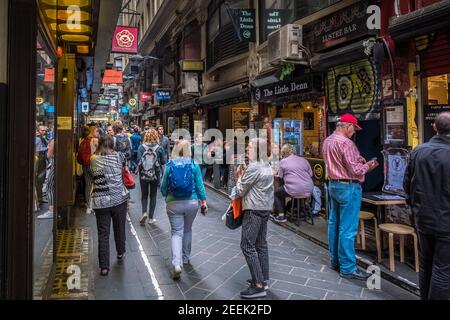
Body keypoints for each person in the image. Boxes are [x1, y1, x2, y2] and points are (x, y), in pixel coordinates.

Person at [322, 114, 378, 280]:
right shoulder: (347, 143)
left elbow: (341, 163)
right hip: (349, 187)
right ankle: (347, 267)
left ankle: (335, 261)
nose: (354, 132)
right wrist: (369, 165)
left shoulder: (328, 141)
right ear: (347, 126)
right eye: (354, 128)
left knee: (334, 224)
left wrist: (356, 160)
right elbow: (355, 171)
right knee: (347, 229)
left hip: (334, 185)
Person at [404, 112, 450, 300]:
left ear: (434, 127)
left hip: (423, 218)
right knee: (444, 269)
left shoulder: (418, 151)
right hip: (446, 220)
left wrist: (413, 207)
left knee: (426, 263)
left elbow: (407, 184)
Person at [160, 139, 207, 280]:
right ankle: (186, 258)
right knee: (187, 229)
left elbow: (163, 186)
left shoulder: (170, 165)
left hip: (173, 203)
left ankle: (176, 264)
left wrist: (166, 196)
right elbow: (200, 186)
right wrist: (203, 201)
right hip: (191, 202)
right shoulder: (194, 165)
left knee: (176, 232)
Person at [235, 138, 274, 299]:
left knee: (247, 245)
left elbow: (240, 190)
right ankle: (263, 279)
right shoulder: (267, 165)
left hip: (254, 209)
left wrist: (239, 176)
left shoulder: (254, 167)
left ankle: (258, 285)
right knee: (261, 244)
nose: (247, 150)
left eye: (250, 147)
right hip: (265, 207)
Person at [90, 135, 129, 276]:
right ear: (113, 144)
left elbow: (92, 174)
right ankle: (120, 252)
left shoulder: (93, 159)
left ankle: (104, 267)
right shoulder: (119, 157)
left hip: (101, 201)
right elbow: (124, 170)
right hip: (119, 198)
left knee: (103, 233)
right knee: (119, 227)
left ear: (99, 144)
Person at [274, 144, 314, 223]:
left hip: (294, 189)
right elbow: (311, 174)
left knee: (277, 193)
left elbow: (280, 176)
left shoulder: (283, 161)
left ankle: (281, 215)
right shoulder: (303, 160)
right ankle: (297, 209)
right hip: (309, 189)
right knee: (294, 192)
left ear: (283, 153)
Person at [137, 129, 166, 225]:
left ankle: (144, 212)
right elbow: (163, 163)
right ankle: (151, 218)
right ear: (156, 136)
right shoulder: (160, 148)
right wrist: (164, 174)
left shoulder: (141, 148)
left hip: (143, 175)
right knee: (153, 195)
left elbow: (138, 162)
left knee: (144, 195)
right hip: (155, 175)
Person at [77, 126, 99, 214]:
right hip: (94, 165)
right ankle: (95, 205)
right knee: (97, 184)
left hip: (85, 165)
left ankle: (89, 207)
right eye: (97, 131)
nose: (98, 133)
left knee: (88, 185)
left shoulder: (83, 141)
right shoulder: (95, 140)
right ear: (93, 131)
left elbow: (79, 156)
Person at [37, 138, 55, 219]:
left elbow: (49, 155)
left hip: (55, 164)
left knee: (49, 187)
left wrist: (49, 148)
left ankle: (51, 210)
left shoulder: (53, 140)